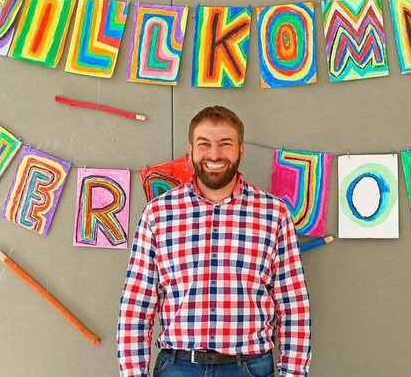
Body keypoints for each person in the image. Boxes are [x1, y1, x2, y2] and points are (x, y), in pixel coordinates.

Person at [117, 106, 311, 377]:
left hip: (249, 368)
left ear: (241, 149)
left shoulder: (273, 214)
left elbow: (294, 307)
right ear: (191, 150)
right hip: (177, 367)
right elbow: (136, 308)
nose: (215, 154)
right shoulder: (158, 214)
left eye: (225, 144)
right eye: (204, 144)